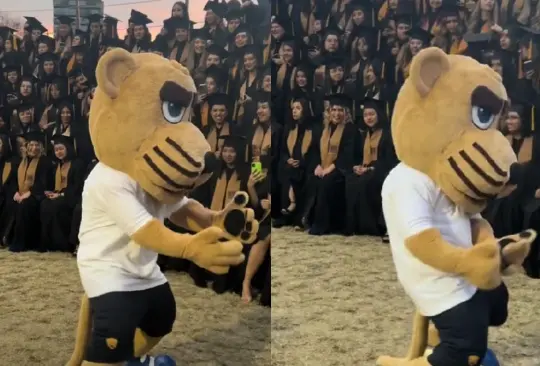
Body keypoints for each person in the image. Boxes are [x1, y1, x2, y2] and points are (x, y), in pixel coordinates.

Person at [304, 94, 355, 235]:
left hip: (341, 169)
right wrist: (317, 166)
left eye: (340, 110)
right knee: (312, 179)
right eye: (334, 110)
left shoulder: (350, 129)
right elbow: (313, 150)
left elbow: (347, 155)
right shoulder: (323, 129)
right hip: (323, 167)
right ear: (329, 111)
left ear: (346, 112)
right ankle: (307, 219)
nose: (337, 114)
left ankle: (323, 226)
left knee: (327, 182)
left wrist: (331, 168)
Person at [40, 135, 85, 252]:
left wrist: (61, 195)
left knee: (56, 206)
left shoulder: (77, 164)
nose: (58, 152)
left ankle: (64, 244)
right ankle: (50, 244)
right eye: (56, 150)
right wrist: (50, 192)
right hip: (59, 195)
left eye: (61, 149)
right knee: (45, 204)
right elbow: (54, 185)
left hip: (73, 197)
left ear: (68, 148)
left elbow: (78, 186)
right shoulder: (57, 165)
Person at [8, 131, 51, 252]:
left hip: (38, 195)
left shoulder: (45, 161)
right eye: (31, 145)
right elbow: (12, 180)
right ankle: (7, 238)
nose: (34, 148)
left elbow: (44, 182)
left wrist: (30, 192)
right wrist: (15, 192)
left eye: (37, 145)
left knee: (25, 205)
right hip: (21, 194)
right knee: (10, 203)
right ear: (26, 147)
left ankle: (21, 244)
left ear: (41, 147)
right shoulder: (19, 162)